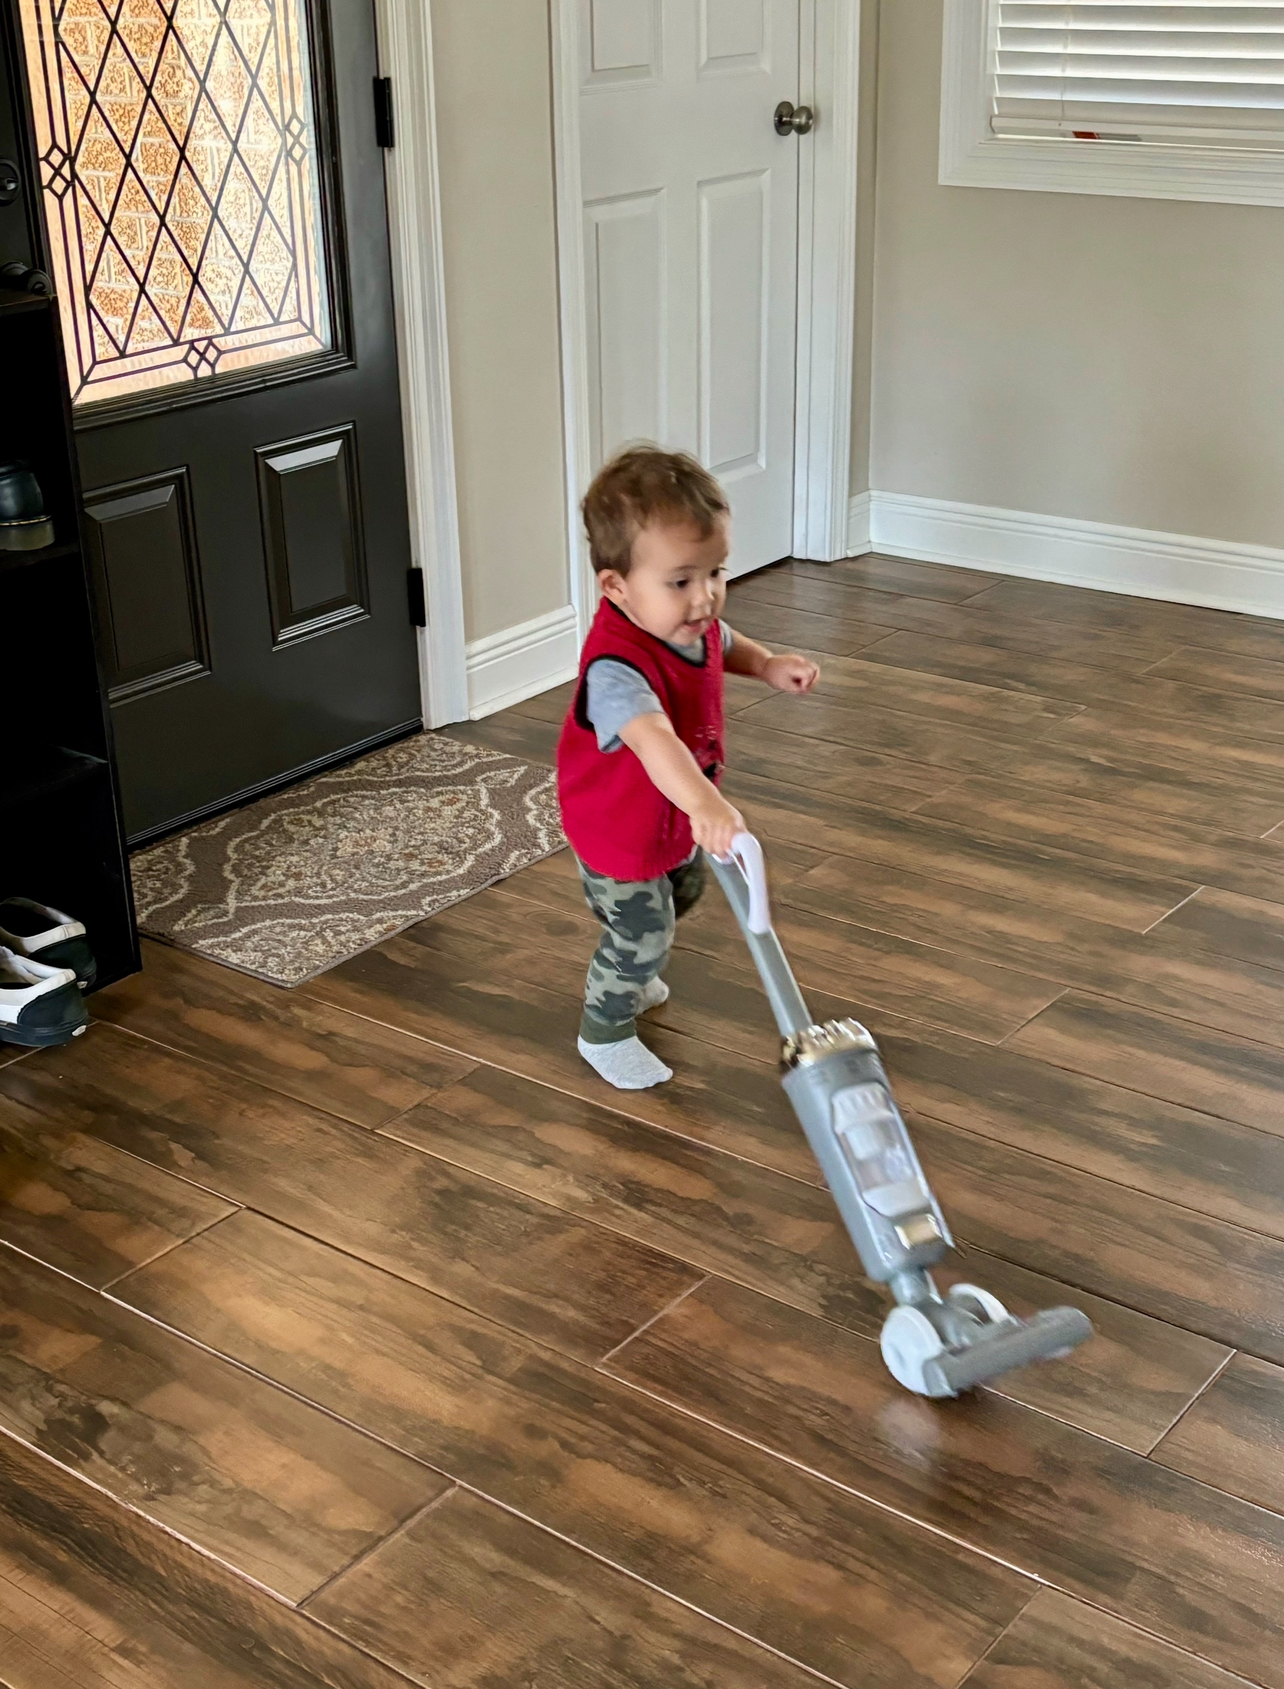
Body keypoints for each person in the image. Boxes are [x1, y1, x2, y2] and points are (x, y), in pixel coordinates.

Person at [557, 445, 820, 1090]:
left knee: (685, 892)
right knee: (641, 933)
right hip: (619, 826)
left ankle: (633, 962)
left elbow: (720, 644)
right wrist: (706, 805)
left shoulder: (687, 625)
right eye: (681, 581)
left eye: (716, 573)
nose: (705, 598)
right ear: (616, 587)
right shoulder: (616, 669)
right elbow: (654, 742)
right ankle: (604, 1030)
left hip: (670, 816)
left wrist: (764, 664)